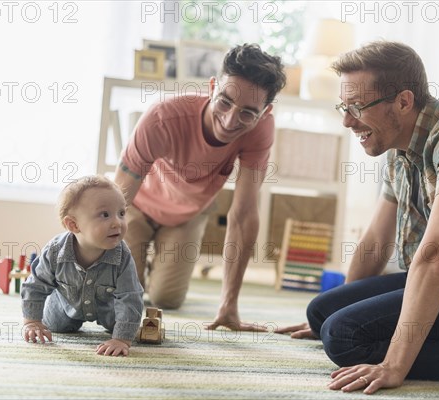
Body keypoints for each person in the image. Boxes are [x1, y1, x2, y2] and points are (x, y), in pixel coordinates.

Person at [277, 41, 439, 393]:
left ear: (402, 101)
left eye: (356, 107)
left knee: (344, 338)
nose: (346, 120)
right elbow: (375, 239)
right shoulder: (399, 144)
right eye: (343, 106)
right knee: (322, 313)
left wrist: (394, 365)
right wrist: (344, 308)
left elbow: (438, 256)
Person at [114, 43, 286, 331]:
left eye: (248, 113)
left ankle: (151, 270)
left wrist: (229, 305)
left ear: (265, 112)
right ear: (211, 87)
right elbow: (118, 197)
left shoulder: (261, 130)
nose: (231, 120)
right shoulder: (163, 117)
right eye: (225, 101)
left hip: (188, 215)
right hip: (137, 207)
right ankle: (137, 269)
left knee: (165, 299)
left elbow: (243, 214)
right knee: (124, 291)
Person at [21, 175, 144, 357]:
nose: (117, 222)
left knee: (123, 326)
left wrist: (122, 339)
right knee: (57, 326)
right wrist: (31, 322)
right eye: (105, 215)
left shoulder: (122, 255)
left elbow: (130, 296)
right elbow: (35, 285)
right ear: (73, 224)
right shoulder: (55, 252)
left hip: (107, 309)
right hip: (64, 308)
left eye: (121, 213)